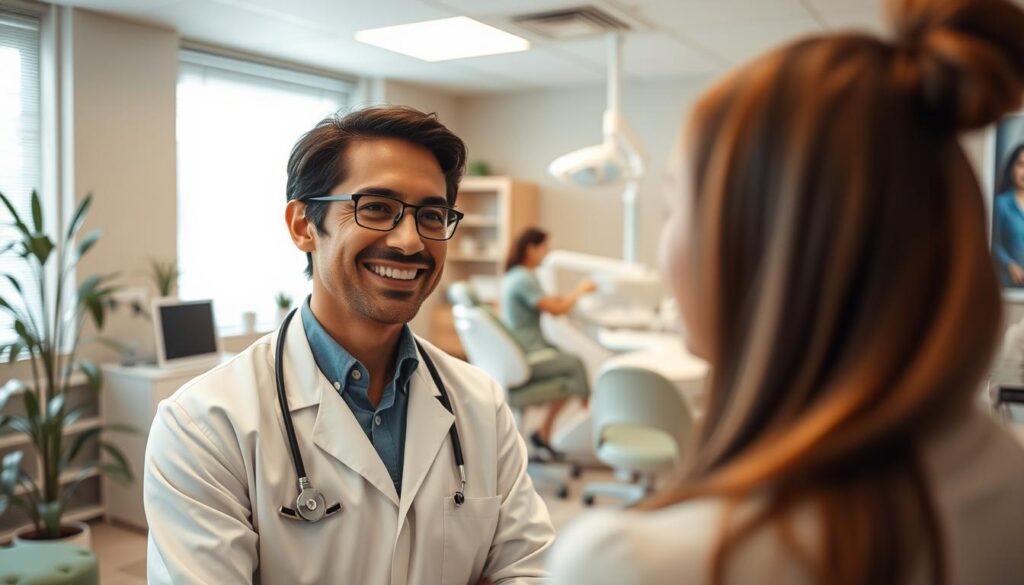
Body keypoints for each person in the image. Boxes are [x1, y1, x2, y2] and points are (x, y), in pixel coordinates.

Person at [550, 0, 1024, 584]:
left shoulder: (640, 563)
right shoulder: (1005, 474)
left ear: (760, 245)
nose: (662, 243)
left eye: (672, 208)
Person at [144, 106, 555, 585]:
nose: (409, 242)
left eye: (432, 215)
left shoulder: (480, 405)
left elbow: (528, 570)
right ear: (302, 225)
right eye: (377, 207)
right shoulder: (204, 427)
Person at [501, 227, 595, 454]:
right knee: (575, 365)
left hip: (525, 349)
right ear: (531, 249)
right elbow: (557, 310)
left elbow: (546, 302)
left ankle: (544, 434)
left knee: (570, 368)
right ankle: (588, 433)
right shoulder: (524, 278)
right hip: (529, 353)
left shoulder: (517, 275)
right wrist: (581, 290)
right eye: (544, 247)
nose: (547, 252)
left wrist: (562, 298)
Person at [992, 143, 1024, 286]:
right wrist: (1009, 264)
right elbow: (992, 242)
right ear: (1012, 168)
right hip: (1011, 286)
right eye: (1021, 165)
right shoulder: (1001, 204)